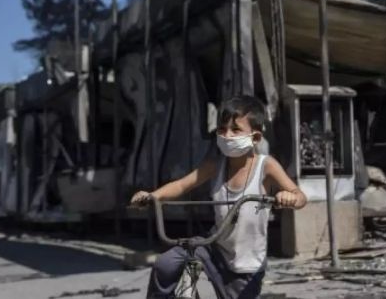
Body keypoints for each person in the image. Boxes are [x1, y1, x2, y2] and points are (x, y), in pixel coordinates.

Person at [131, 95, 307, 299]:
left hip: (246, 264)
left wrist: (289, 197)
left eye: (236, 130)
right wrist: (151, 196)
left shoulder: (265, 166)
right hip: (212, 248)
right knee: (166, 264)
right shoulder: (215, 164)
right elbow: (182, 184)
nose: (227, 135)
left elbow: (300, 197)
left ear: (255, 138)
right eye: (222, 130)